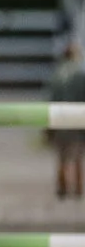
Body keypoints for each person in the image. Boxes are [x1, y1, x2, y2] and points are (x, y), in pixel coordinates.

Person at [52, 41, 85, 198]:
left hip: (58, 120)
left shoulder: (57, 74)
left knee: (62, 157)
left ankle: (63, 187)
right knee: (78, 157)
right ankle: (78, 189)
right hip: (76, 120)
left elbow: (51, 98)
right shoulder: (79, 74)